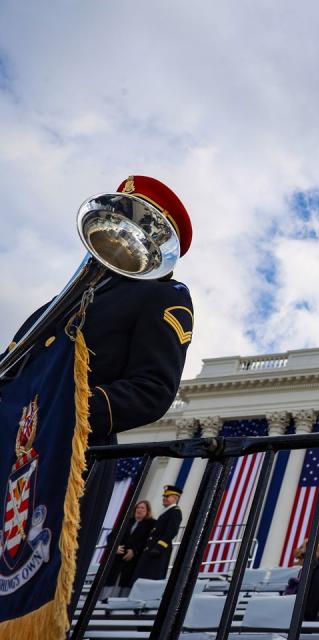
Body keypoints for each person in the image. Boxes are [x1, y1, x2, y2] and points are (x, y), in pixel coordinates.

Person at [3, 175, 194, 605]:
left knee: (31, 598)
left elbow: (153, 389)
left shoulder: (164, 296)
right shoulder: (55, 303)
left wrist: (60, 410)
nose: (120, 237)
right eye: (115, 220)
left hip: (72, 461)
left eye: (135, 227)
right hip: (9, 454)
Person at [102, 500, 155, 597]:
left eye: (142, 508)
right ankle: (104, 599)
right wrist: (114, 547)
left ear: (147, 511)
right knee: (111, 578)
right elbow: (111, 536)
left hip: (135, 558)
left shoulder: (151, 524)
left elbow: (148, 540)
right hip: (118, 555)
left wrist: (134, 550)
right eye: (138, 507)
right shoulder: (127, 521)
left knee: (127, 580)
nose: (139, 509)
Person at [132, 485, 183, 582]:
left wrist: (159, 547)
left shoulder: (175, 512)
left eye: (167, 496)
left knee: (151, 577)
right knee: (143, 577)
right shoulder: (167, 511)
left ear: (175, 498)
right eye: (164, 496)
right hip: (152, 548)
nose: (164, 498)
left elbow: (171, 531)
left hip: (158, 550)